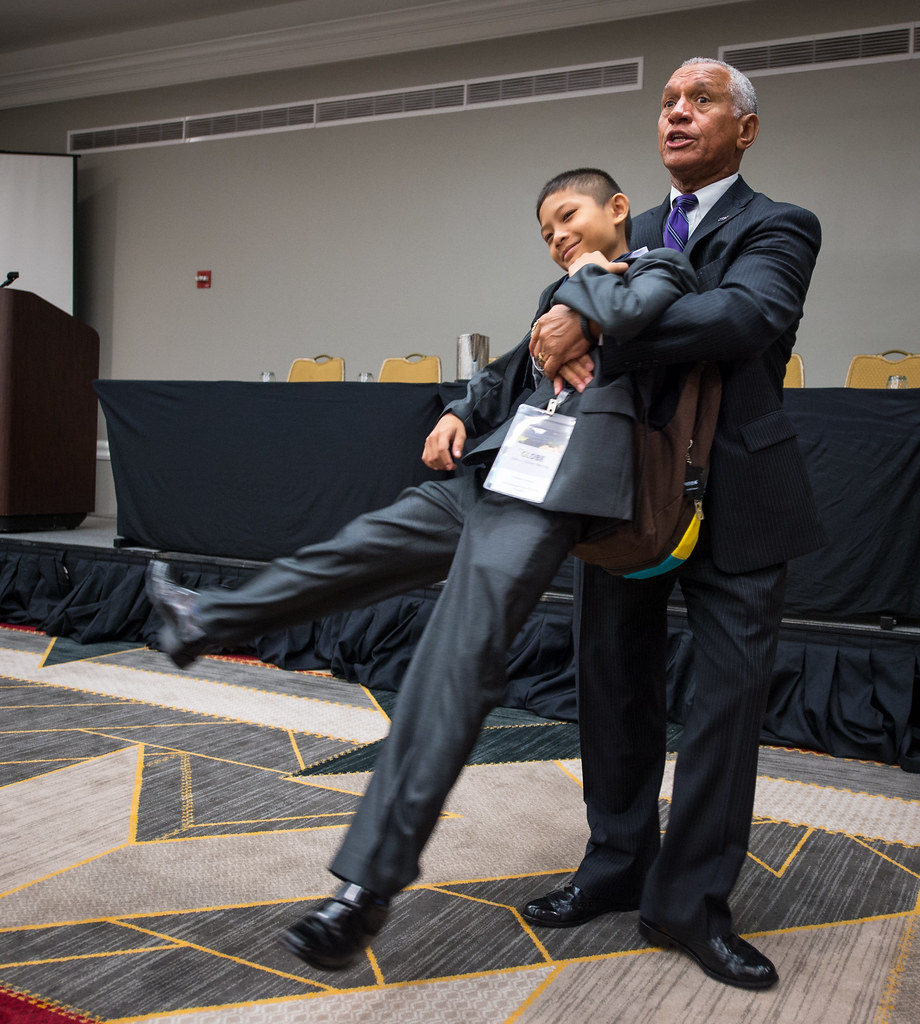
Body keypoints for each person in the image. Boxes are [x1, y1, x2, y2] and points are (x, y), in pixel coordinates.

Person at [145, 167, 698, 971]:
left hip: (554, 495)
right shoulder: (558, 294)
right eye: (545, 230)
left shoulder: (659, 266)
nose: (556, 237)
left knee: (452, 660)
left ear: (617, 209)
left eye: (567, 217)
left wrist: (580, 285)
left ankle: (362, 892)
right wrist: (456, 410)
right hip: (489, 475)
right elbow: (511, 371)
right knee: (354, 549)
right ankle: (206, 621)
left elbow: (627, 312)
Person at [521, 59, 825, 990]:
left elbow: (743, 317)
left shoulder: (780, 225)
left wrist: (601, 316)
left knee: (725, 711)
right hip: (623, 490)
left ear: (746, 129)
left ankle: (690, 905)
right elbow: (544, 322)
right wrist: (470, 398)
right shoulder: (627, 229)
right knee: (612, 686)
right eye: (667, 103)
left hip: (741, 495)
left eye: (702, 102)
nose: (679, 114)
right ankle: (615, 867)